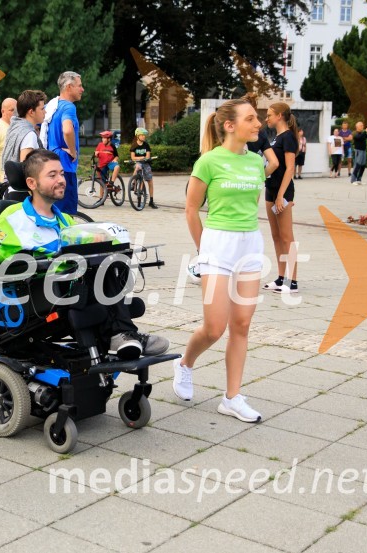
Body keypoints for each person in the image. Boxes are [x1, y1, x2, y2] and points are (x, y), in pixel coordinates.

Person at [0, 149, 169, 358]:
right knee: (97, 271)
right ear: (31, 183)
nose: (61, 180)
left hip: (74, 283)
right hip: (40, 291)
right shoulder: (14, 218)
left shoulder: (65, 219)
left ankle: (122, 334)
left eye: (62, 174)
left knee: (110, 257)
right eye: (52, 175)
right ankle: (122, 333)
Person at [178, 98, 265, 422]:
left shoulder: (256, 162)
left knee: (241, 325)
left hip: (250, 244)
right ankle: (185, 364)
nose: (258, 124)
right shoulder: (208, 162)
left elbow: (252, 203)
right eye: (251, 118)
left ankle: (232, 398)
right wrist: (204, 251)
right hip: (217, 245)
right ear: (230, 125)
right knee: (214, 328)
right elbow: (191, 209)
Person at [262, 102, 299, 294]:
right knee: (276, 236)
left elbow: (290, 169)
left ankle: (293, 281)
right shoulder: (275, 138)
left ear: (280, 116)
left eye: (269, 115)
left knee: (287, 237)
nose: (266, 118)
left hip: (282, 192)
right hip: (270, 189)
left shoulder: (288, 138)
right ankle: (281, 277)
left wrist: (281, 196)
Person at [44, 71, 84, 215]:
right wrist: (72, 151)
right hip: (65, 167)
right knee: (67, 216)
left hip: (50, 163)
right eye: (79, 86)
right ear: (69, 87)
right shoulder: (68, 107)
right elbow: (67, 130)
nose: (82, 89)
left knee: (53, 212)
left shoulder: (51, 106)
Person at [1, 89, 47, 178]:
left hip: (11, 185)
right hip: (23, 189)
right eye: (42, 109)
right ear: (31, 112)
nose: (45, 112)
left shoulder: (15, 127)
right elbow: (25, 168)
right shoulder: (29, 134)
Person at [130, 128, 157, 209]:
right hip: (138, 163)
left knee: (150, 181)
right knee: (138, 167)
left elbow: (148, 156)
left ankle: (151, 201)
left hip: (146, 164)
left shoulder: (146, 145)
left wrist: (141, 158)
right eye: (142, 135)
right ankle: (133, 183)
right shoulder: (134, 145)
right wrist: (142, 157)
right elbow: (133, 157)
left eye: (144, 135)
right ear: (138, 136)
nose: (144, 137)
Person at [350, 121, 367, 185]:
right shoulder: (355, 133)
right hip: (358, 151)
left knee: (363, 165)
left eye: (363, 125)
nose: (362, 126)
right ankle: (353, 180)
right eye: (361, 125)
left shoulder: (363, 133)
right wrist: (365, 131)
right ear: (357, 127)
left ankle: (359, 179)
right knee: (357, 165)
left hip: (363, 151)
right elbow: (359, 137)